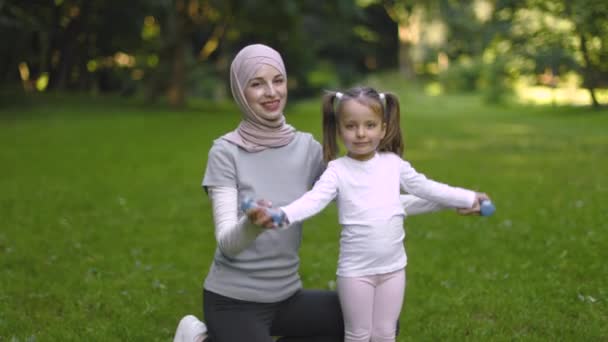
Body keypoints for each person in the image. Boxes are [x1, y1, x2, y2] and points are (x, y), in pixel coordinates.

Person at [172, 44, 470, 342]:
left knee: (375, 325)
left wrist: (446, 202)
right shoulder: (225, 152)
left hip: (287, 297)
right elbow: (227, 244)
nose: (271, 92)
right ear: (240, 90)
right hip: (233, 301)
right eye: (256, 84)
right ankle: (199, 337)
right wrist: (253, 224)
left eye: (278, 80)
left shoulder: (307, 149)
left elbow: (369, 204)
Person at [258, 86, 490, 342]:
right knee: (358, 334)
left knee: (384, 334)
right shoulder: (337, 171)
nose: (360, 133)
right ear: (339, 130)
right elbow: (313, 201)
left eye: (370, 125)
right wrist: (282, 214)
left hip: (393, 270)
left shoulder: (394, 165)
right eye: (351, 126)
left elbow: (427, 189)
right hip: (356, 272)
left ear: (383, 128)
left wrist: (467, 198)